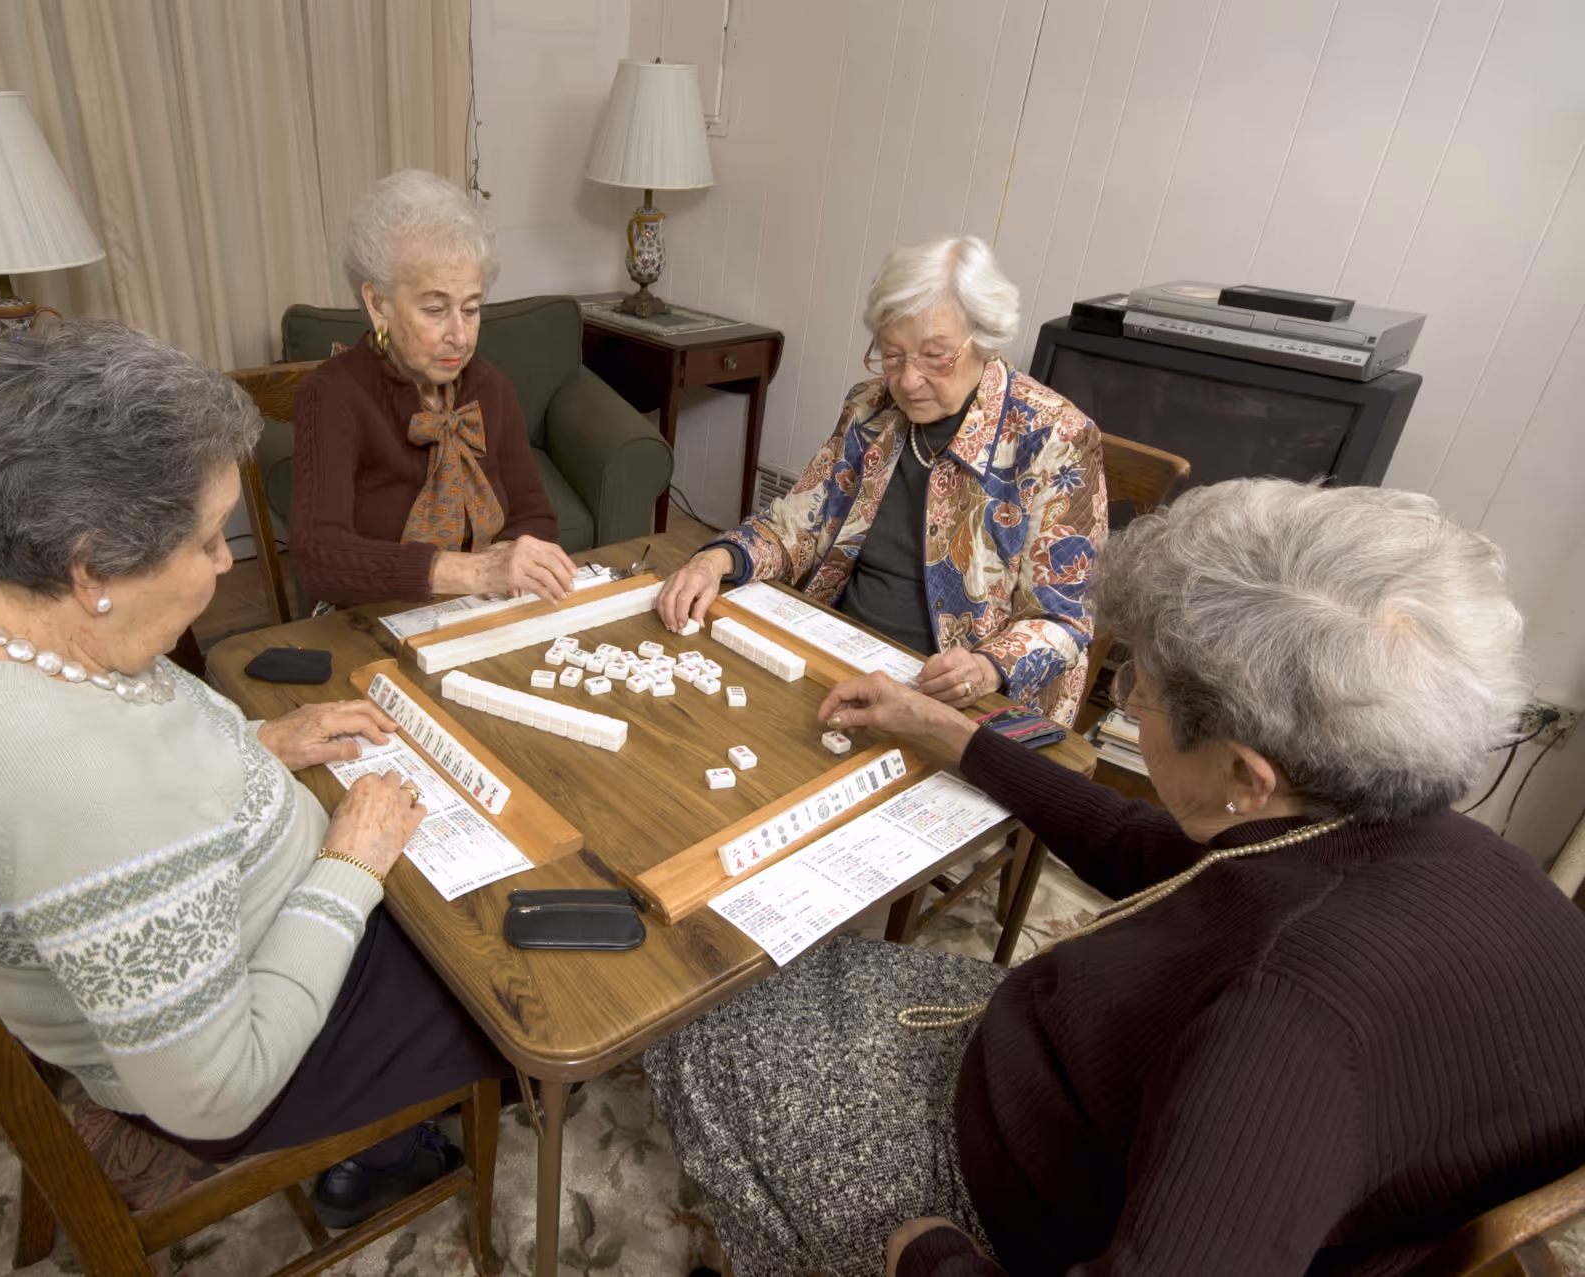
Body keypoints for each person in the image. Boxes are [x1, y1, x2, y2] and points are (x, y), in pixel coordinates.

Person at [644, 479, 1585, 1276]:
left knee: (690, 1012)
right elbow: (1148, 850)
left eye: (1140, 689)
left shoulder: (1287, 1025)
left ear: (1246, 777)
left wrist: (932, 1255)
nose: (1123, 695)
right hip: (1071, 1073)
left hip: (996, 1191)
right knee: (787, 970)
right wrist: (953, 736)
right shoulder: (1429, 842)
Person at [0, 321, 511, 1229]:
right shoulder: (82, 788)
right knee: (495, 957)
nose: (229, 562)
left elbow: (117, 807)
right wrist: (351, 864)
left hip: (153, 935)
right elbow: (214, 1093)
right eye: (210, 538)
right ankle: (387, 1143)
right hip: (250, 1052)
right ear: (91, 566)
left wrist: (255, 752)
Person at [657, 236, 1105, 725]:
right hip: (839, 651)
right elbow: (797, 526)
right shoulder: (871, 408)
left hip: (958, 700)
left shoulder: (1056, 438)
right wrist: (717, 558)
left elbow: (1064, 619)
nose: (908, 381)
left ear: (985, 337)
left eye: (935, 356)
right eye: (892, 356)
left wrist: (986, 668)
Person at [289, 168, 575, 610]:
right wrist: (474, 571)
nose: (460, 336)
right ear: (378, 303)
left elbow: (535, 515)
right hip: (368, 619)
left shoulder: (491, 388)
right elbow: (319, 559)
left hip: (480, 611)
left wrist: (509, 557)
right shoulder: (330, 396)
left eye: (472, 308)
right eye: (435, 309)